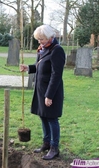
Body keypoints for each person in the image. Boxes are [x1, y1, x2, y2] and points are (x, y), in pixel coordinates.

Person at [20, 25, 65, 160]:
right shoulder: (43, 49)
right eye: (38, 40)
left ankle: (54, 147)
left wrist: (49, 95)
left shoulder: (57, 51)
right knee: (43, 116)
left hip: (51, 91)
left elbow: (56, 75)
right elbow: (40, 66)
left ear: (51, 37)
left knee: (51, 118)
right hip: (40, 90)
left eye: (42, 39)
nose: (40, 42)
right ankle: (46, 143)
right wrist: (28, 67)